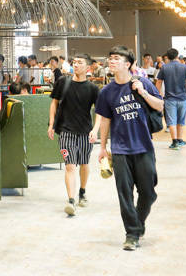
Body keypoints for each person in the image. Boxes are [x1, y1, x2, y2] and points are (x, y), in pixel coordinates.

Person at [96, 46, 163, 251]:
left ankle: (138, 223)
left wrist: (143, 92)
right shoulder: (106, 92)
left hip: (143, 146)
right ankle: (132, 234)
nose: (111, 61)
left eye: (116, 58)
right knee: (125, 195)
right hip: (120, 150)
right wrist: (103, 147)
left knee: (148, 193)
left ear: (128, 64)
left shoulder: (142, 83)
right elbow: (105, 120)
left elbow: (160, 105)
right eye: (110, 58)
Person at [48, 52, 102, 216]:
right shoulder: (63, 82)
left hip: (85, 132)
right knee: (70, 165)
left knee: (84, 164)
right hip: (66, 132)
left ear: (88, 67)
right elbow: (54, 103)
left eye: (80, 62)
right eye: (74, 62)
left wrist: (95, 130)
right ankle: (71, 200)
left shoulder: (93, 89)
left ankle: (82, 192)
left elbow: (99, 112)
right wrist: (51, 124)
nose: (76, 65)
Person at [156, 48, 186, 149]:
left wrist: (157, 95)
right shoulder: (184, 67)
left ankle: (175, 142)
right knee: (181, 120)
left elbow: (159, 82)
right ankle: (179, 139)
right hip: (182, 98)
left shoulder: (164, 68)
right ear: (177, 56)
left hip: (169, 99)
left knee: (171, 121)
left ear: (167, 57)